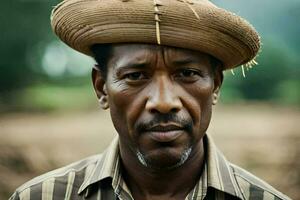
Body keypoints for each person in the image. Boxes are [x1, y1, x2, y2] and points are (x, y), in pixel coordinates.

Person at [10, 0, 291, 199]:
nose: (163, 102)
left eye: (188, 73)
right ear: (101, 88)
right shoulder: (41, 196)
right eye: (135, 76)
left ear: (215, 86)